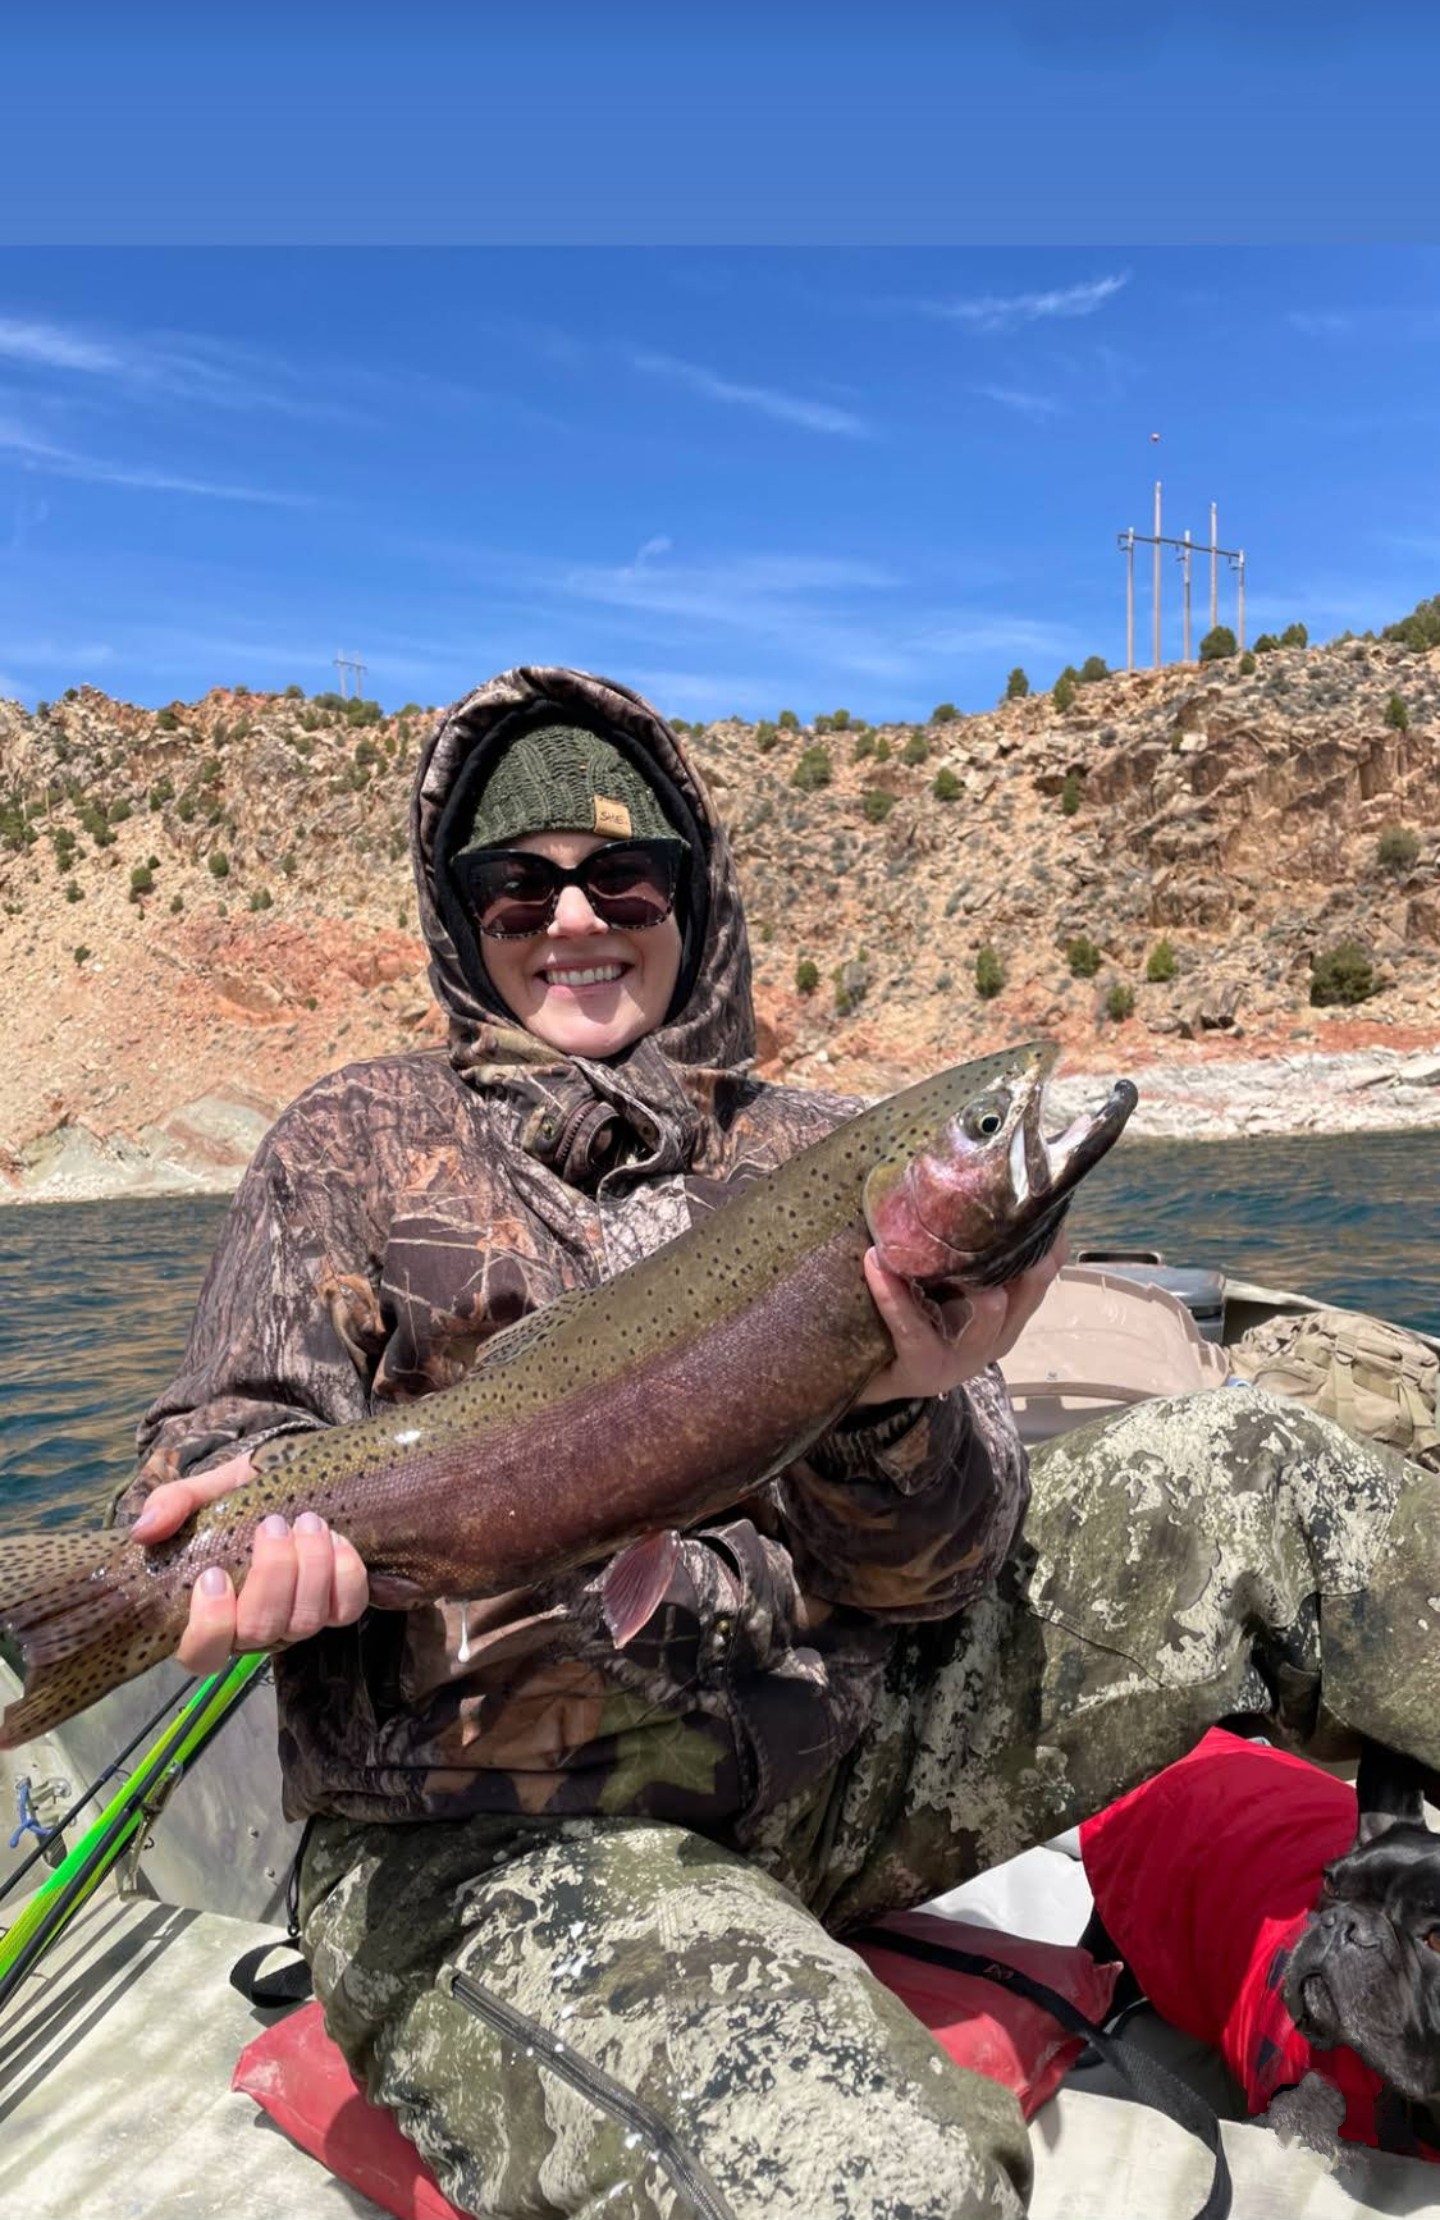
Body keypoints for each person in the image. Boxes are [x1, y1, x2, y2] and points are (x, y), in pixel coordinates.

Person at [115, 666, 1440, 2220]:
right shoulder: (344, 1147)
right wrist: (215, 1525)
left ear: (694, 890)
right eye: (514, 887)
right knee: (877, 2185)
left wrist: (894, 1408)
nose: (574, 919)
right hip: (493, 1851)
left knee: (1268, 1471)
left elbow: (945, 1581)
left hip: (837, 1763)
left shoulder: (813, 1146)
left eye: (625, 874)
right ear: (454, 913)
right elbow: (237, 1425)